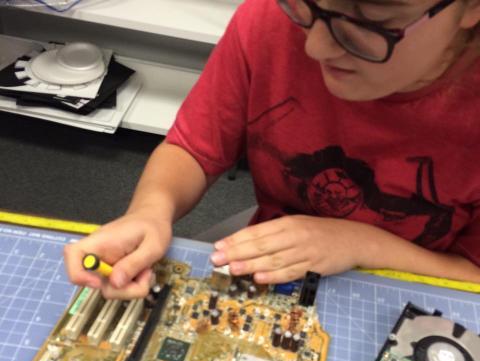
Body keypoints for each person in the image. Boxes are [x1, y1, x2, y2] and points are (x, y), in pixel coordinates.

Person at [65, 0, 480, 299]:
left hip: (421, 295)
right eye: (304, 5)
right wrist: (150, 212)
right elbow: (193, 149)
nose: (315, 48)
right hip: (273, 266)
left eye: (371, 18)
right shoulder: (268, 20)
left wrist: (363, 245)